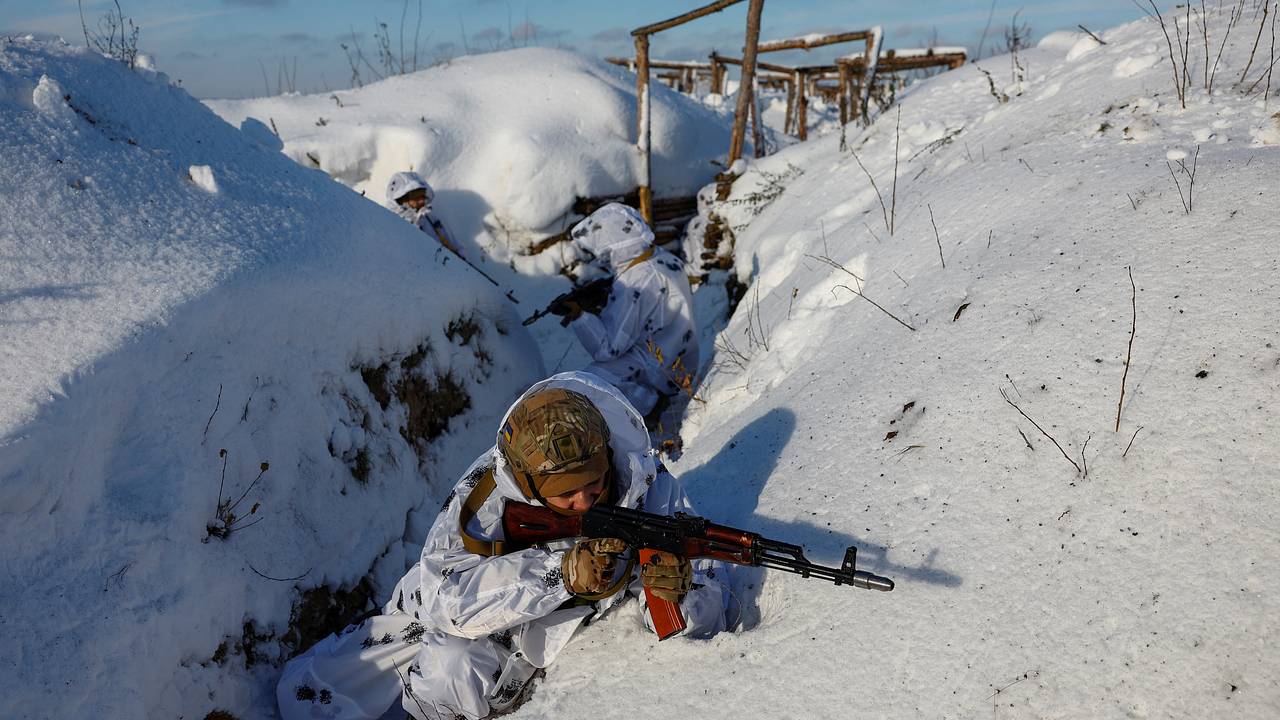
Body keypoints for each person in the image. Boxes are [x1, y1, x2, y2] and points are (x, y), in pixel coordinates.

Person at [277, 371, 734, 720]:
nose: (584, 501)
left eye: (594, 483)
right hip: (455, 613)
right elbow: (445, 600)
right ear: (529, 486)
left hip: (546, 639)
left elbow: (708, 600)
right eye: (565, 494)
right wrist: (560, 572)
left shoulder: (647, 487)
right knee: (313, 694)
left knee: (453, 668)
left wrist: (681, 592)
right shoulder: (487, 496)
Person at [551, 203, 699, 429]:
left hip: (661, 369)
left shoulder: (635, 281)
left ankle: (649, 407)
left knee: (592, 381)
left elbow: (608, 348)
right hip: (682, 358)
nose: (600, 256)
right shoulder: (661, 258)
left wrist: (580, 315)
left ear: (612, 242)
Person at [387, 171, 459, 255]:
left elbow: (456, 246)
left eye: (423, 194)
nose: (421, 200)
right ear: (402, 198)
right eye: (416, 196)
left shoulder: (430, 218)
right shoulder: (393, 224)